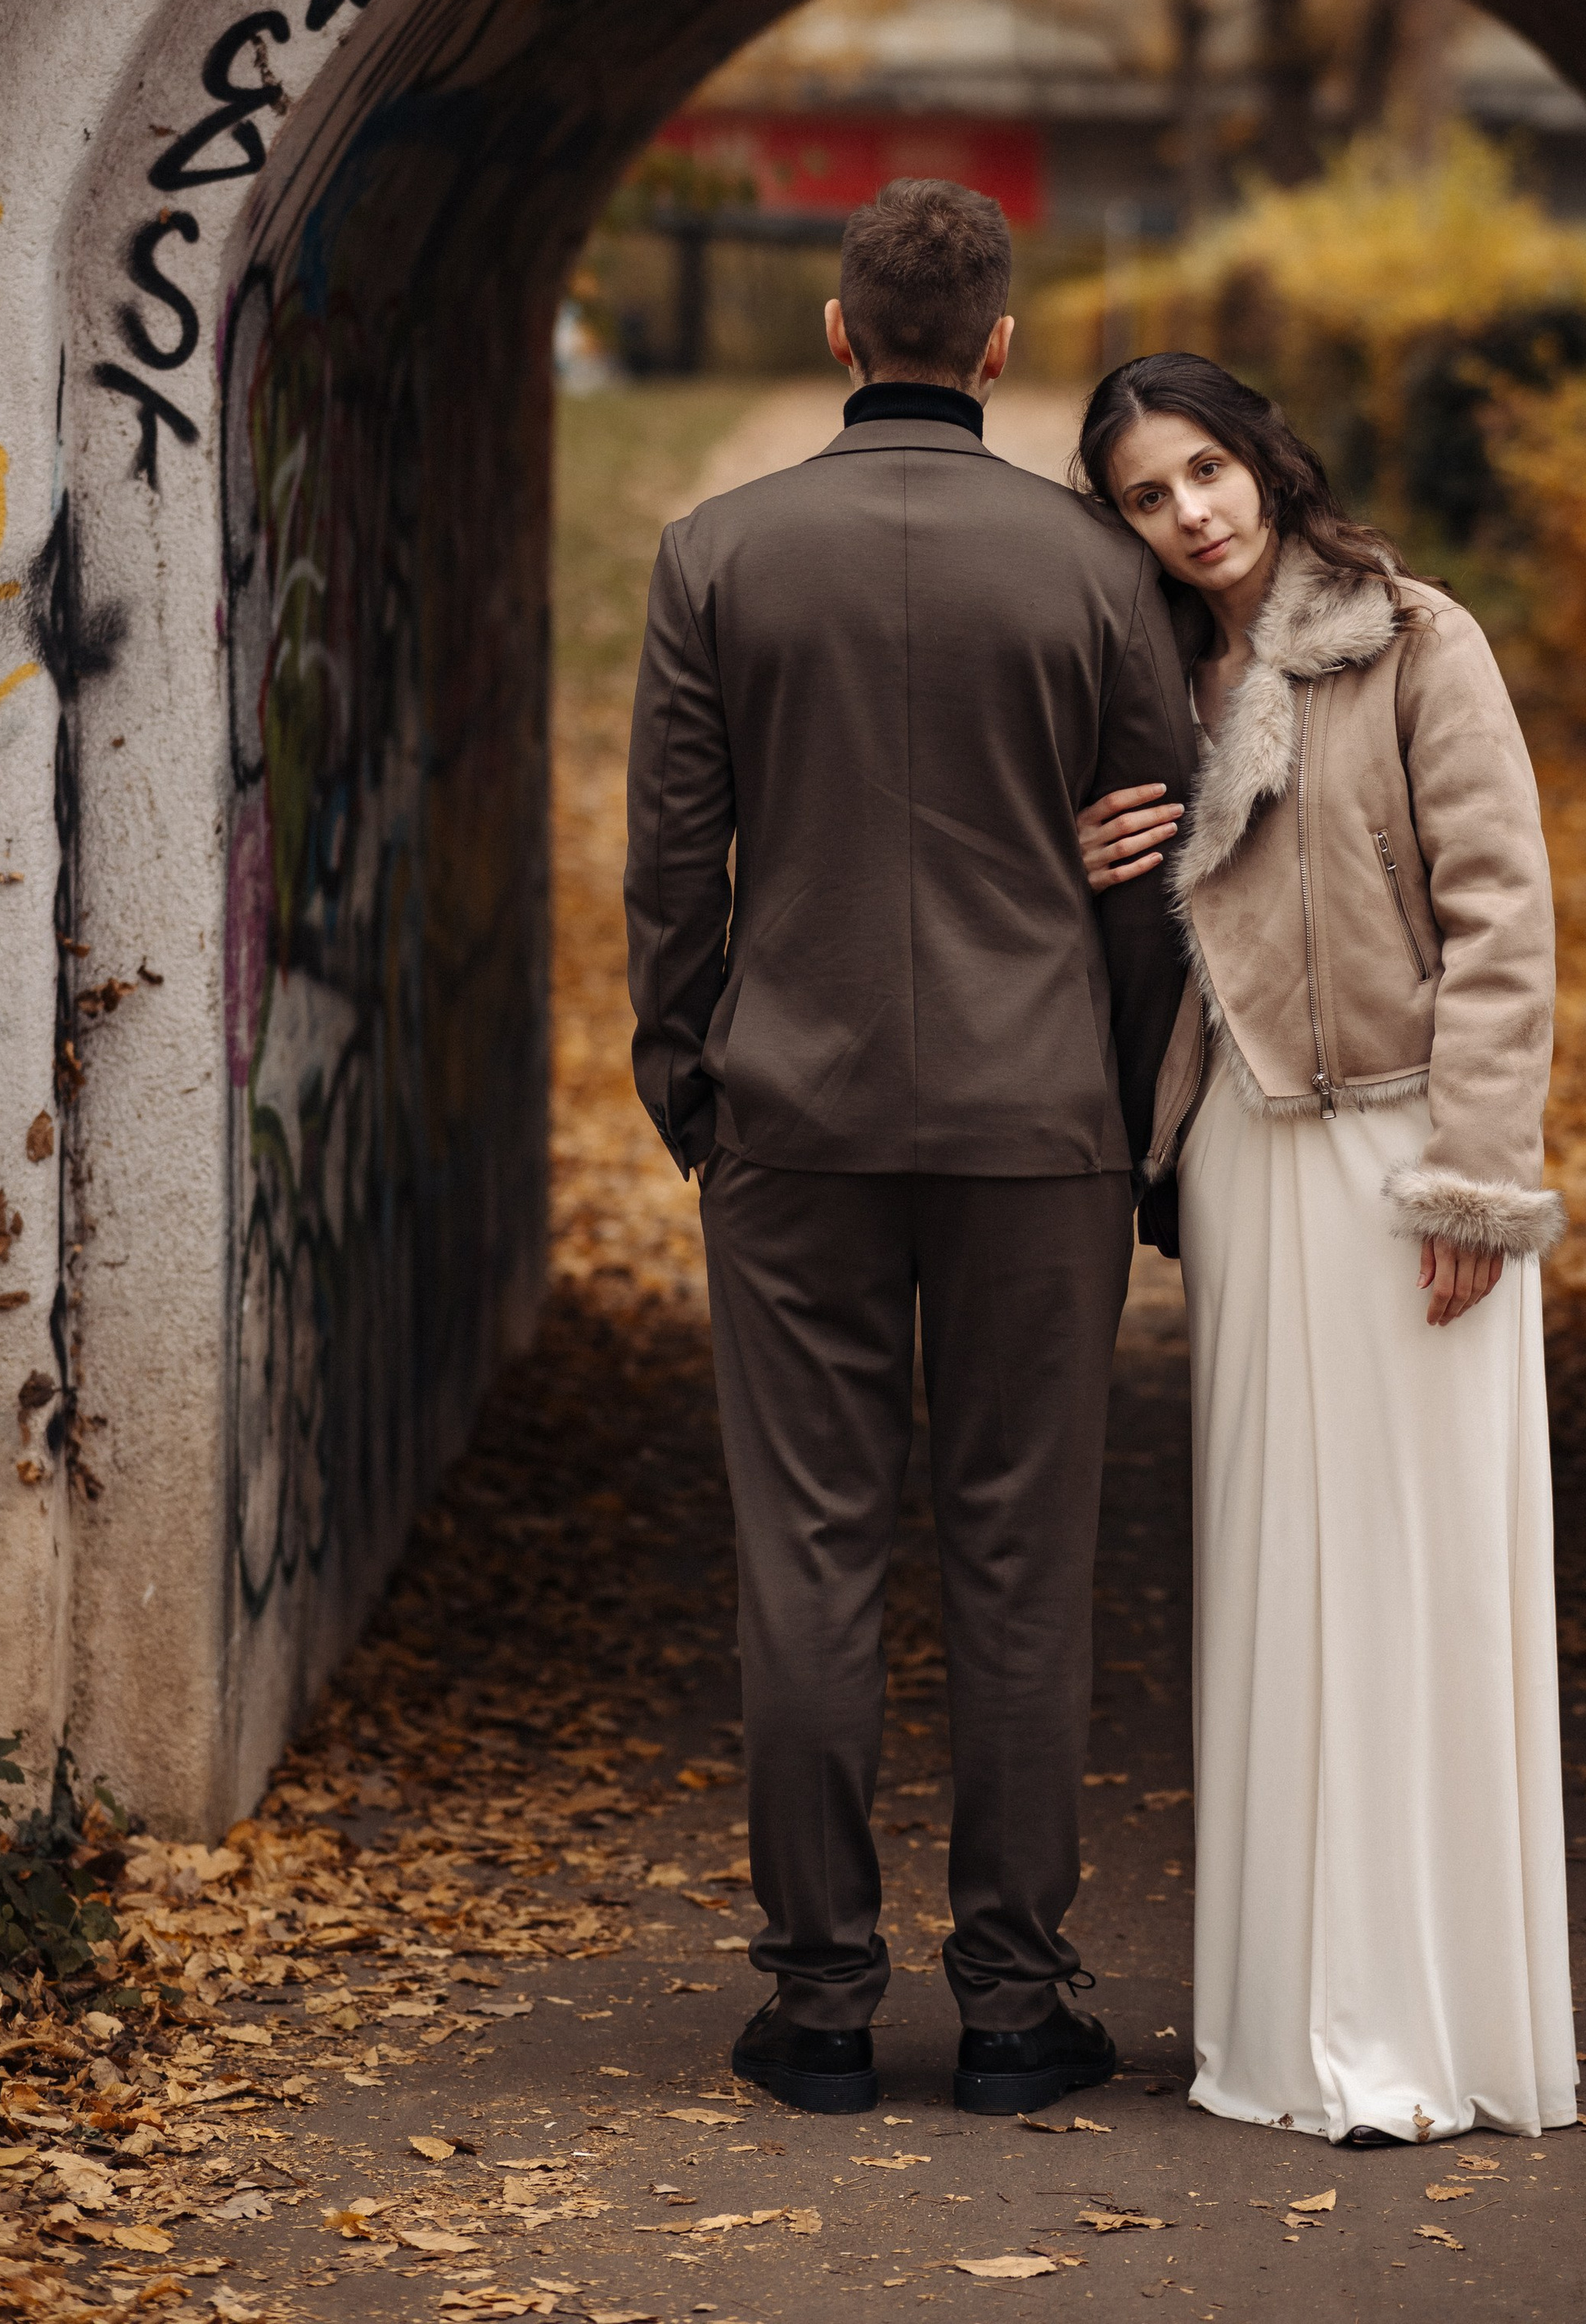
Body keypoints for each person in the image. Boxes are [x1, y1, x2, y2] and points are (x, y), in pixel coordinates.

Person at [623, 180, 1192, 2120]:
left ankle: (818, 2006)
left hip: (793, 1120)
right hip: (1043, 1125)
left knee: (809, 1554)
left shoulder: (717, 552)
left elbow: (667, 862)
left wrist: (690, 1078)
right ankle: (1020, 2011)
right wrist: (1125, 1114)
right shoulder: (1093, 570)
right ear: (1001, 350)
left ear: (841, 337)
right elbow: (1151, 877)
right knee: (1027, 1560)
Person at [1073, 351, 1577, 2149]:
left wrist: (1472, 1178)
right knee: (1279, 1578)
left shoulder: (1411, 638)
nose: (1190, 512)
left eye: (1205, 467)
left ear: (1262, 462)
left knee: (1411, 1573)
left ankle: (1418, 2031)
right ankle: (1291, 2024)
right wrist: (1093, 852)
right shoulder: (1143, 681)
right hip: (1238, 1156)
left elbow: (1502, 911)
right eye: (1146, 493)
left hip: (1397, 1147)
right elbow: (1130, 932)